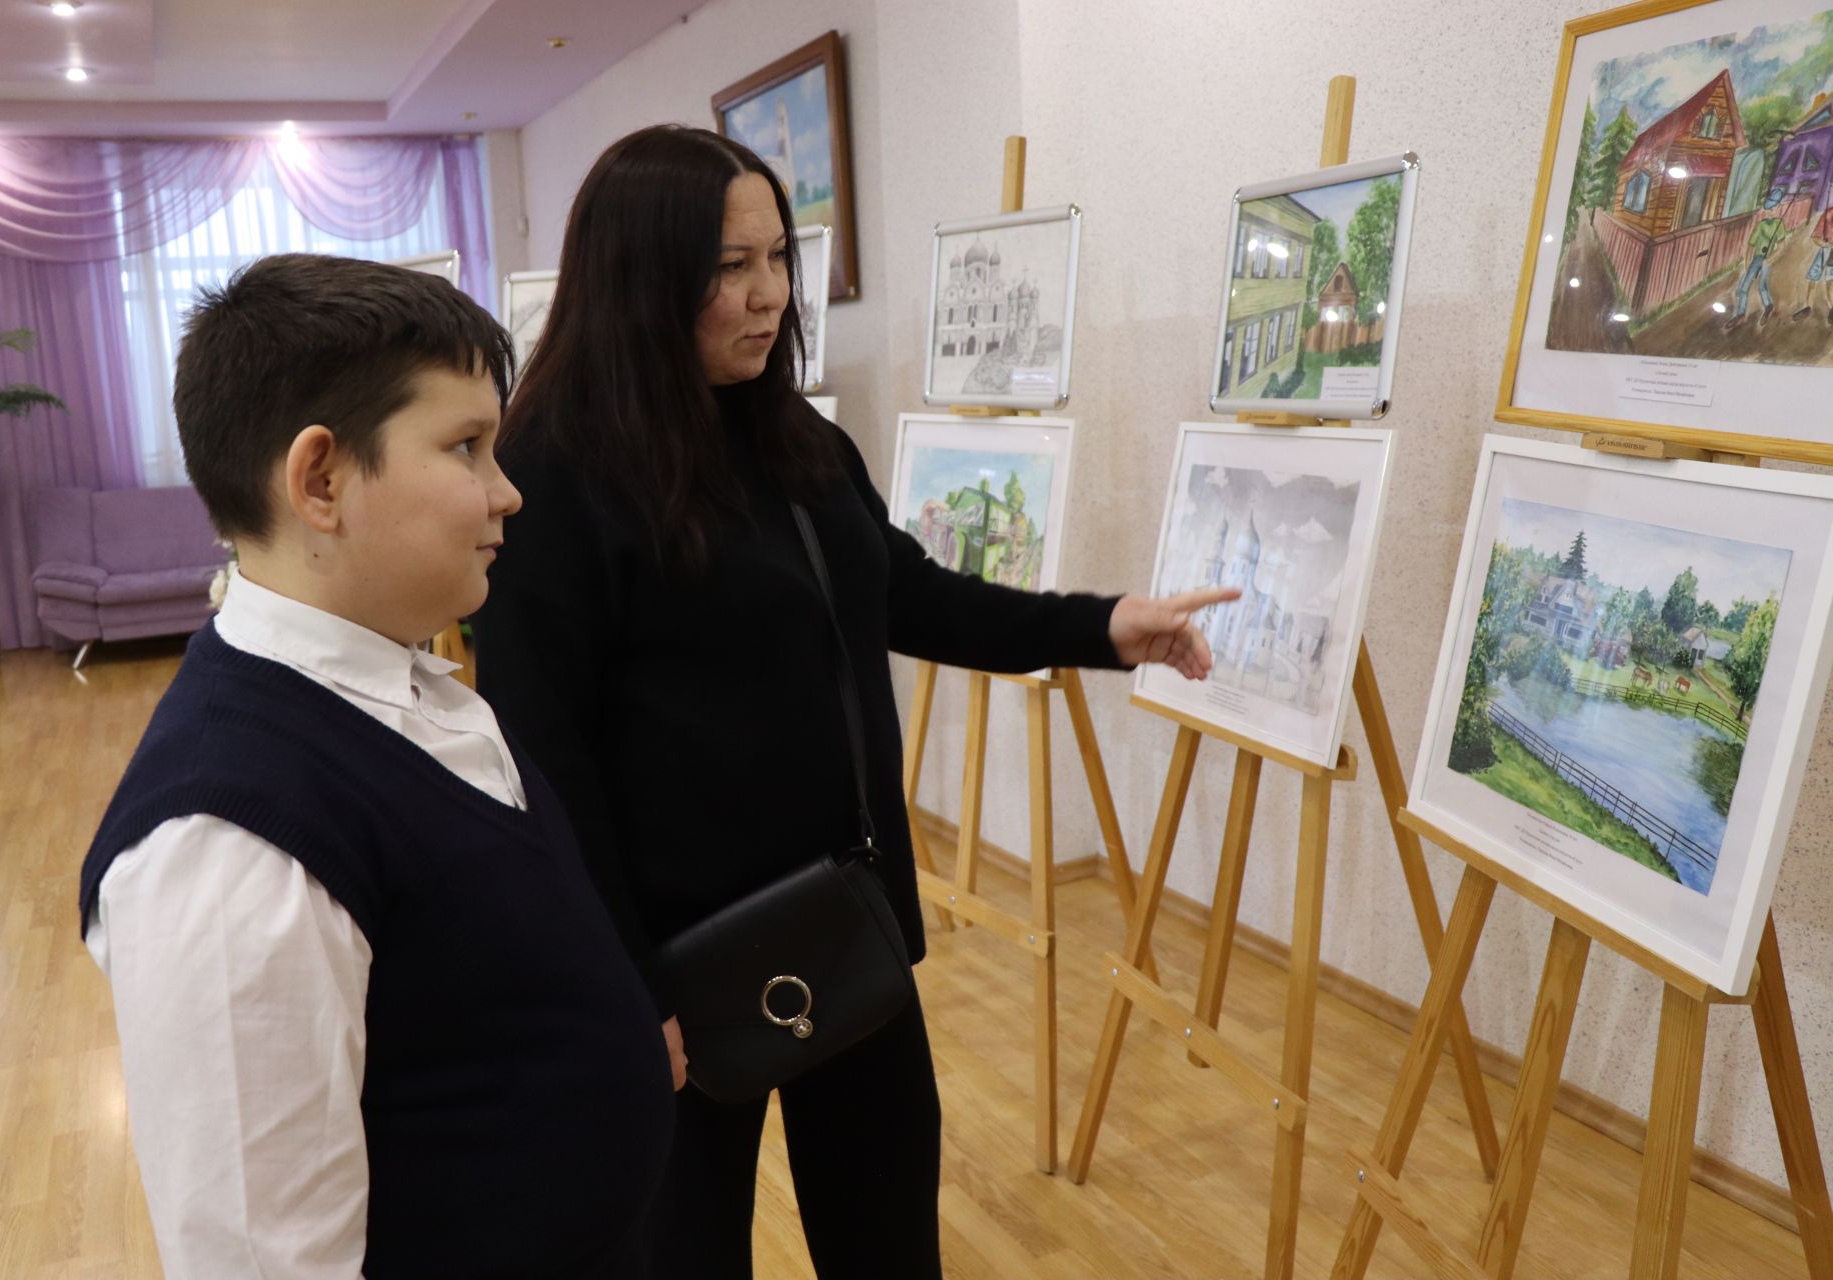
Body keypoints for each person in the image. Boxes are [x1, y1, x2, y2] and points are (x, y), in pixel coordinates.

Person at [473, 125, 1236, 1278]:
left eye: (778, 257)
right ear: (641, 274)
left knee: (885, 1239)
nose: (769, 293)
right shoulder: (555, 473)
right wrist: (626, 986)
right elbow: (543, 758)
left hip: (841, 922)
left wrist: (1102, 626)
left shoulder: (794, 439)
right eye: (729, 266)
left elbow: (909, 593)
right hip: (673, 968)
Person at [78, 254, 675, 1279]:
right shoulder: (230, 844)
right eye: (468, 447)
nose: (508, 491)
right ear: (321, 480)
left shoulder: (406, 674)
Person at [1727, 187, 1789, 332]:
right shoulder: (1760, 225)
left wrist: (1771, 259)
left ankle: (1768, 306)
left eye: (1773, 208)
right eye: (1768, 208)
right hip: (1756, 258)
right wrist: (1748, 261)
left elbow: (1781, 247)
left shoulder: (1779, 225)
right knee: (1743, 286)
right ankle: (1740, 313)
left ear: (1777, 208)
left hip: (1768, 258)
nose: (1770, 211)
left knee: (1762, 285)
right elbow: (1750, 244)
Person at [1794, 198, 1833, 323]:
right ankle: (1807, 307)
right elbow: (1815, 237)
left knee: (1830, 284)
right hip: (1825, 250)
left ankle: (1832, 309)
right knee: (1812, 279)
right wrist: (1824, 244)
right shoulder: (1828, 213)